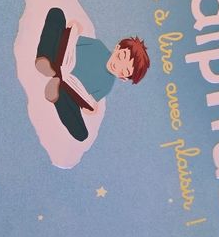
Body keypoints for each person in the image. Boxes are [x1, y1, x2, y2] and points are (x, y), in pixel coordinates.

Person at [35, 8, 149, 141]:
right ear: (117, 47)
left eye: (123, 71)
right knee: (56, 14)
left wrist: (91, 108)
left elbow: (90, 101)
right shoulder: (97, 46)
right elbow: (72, 40)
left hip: (67, 89)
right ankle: (45, 60)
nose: (117, 65)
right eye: (120, 57)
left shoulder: (107, 85)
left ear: (123, 78)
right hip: (58, 58)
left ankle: (56, 94)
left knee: (82, 134)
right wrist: (74, 29)